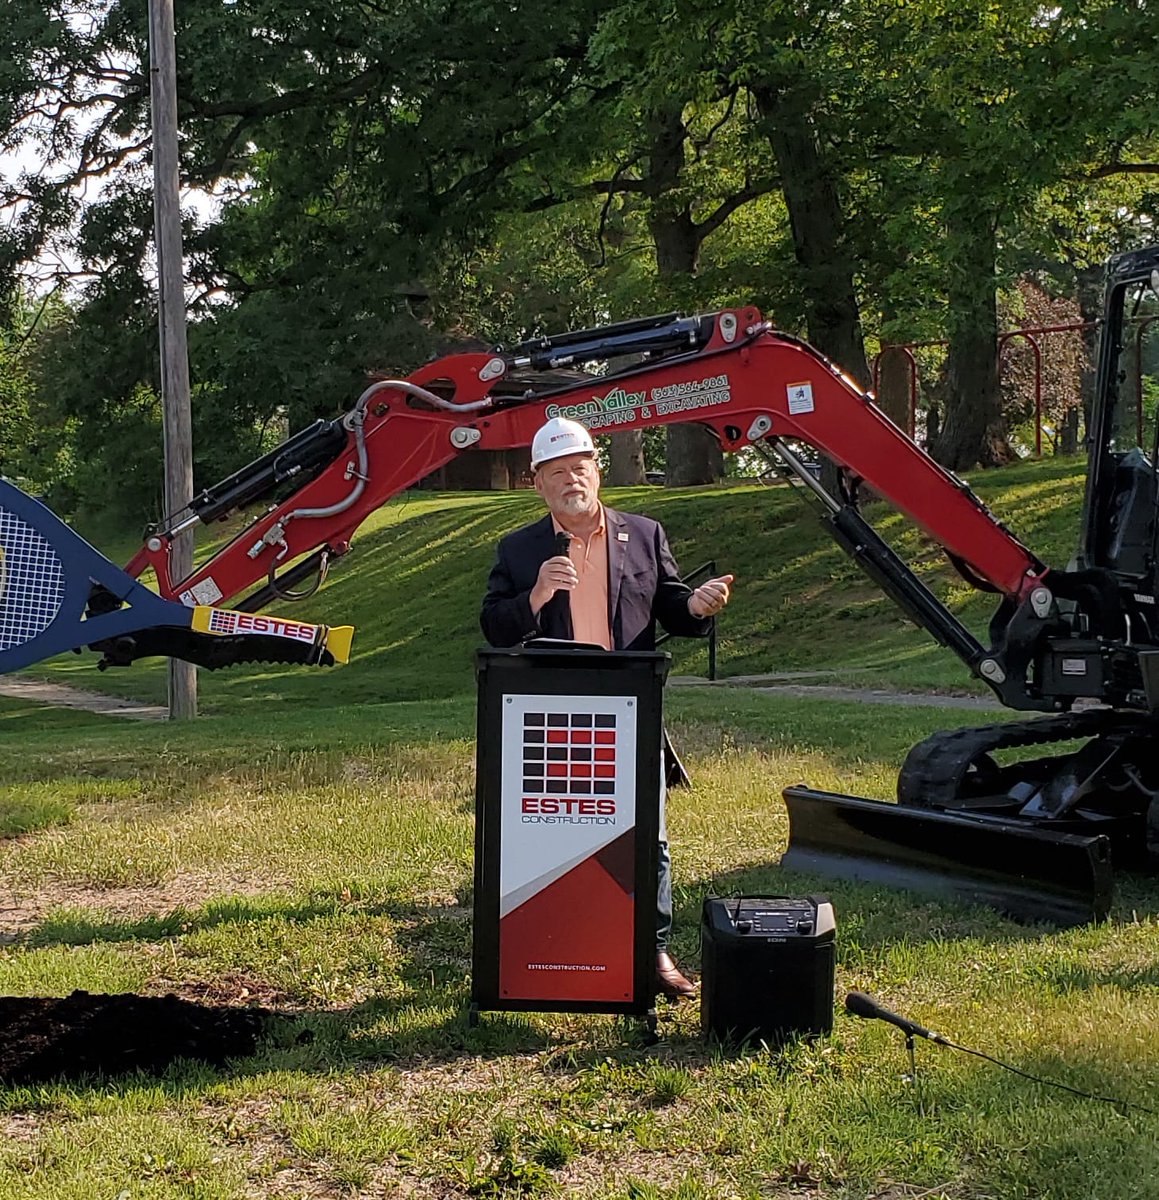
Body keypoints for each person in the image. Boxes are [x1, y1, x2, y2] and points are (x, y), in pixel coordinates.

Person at [480, 416, 733, 998]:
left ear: (598, 471)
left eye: (580, 467)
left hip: (631, 707)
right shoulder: (519, 551)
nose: (572, 479)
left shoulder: (643, 533)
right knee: (556, 831)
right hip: (551, 713)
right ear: (537, 483)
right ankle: (552, 948)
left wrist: (693, 607)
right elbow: (495, 626)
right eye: (557, 472)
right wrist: (537, 594)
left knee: (650, 838)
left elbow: (666, 601)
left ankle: (652, 951)